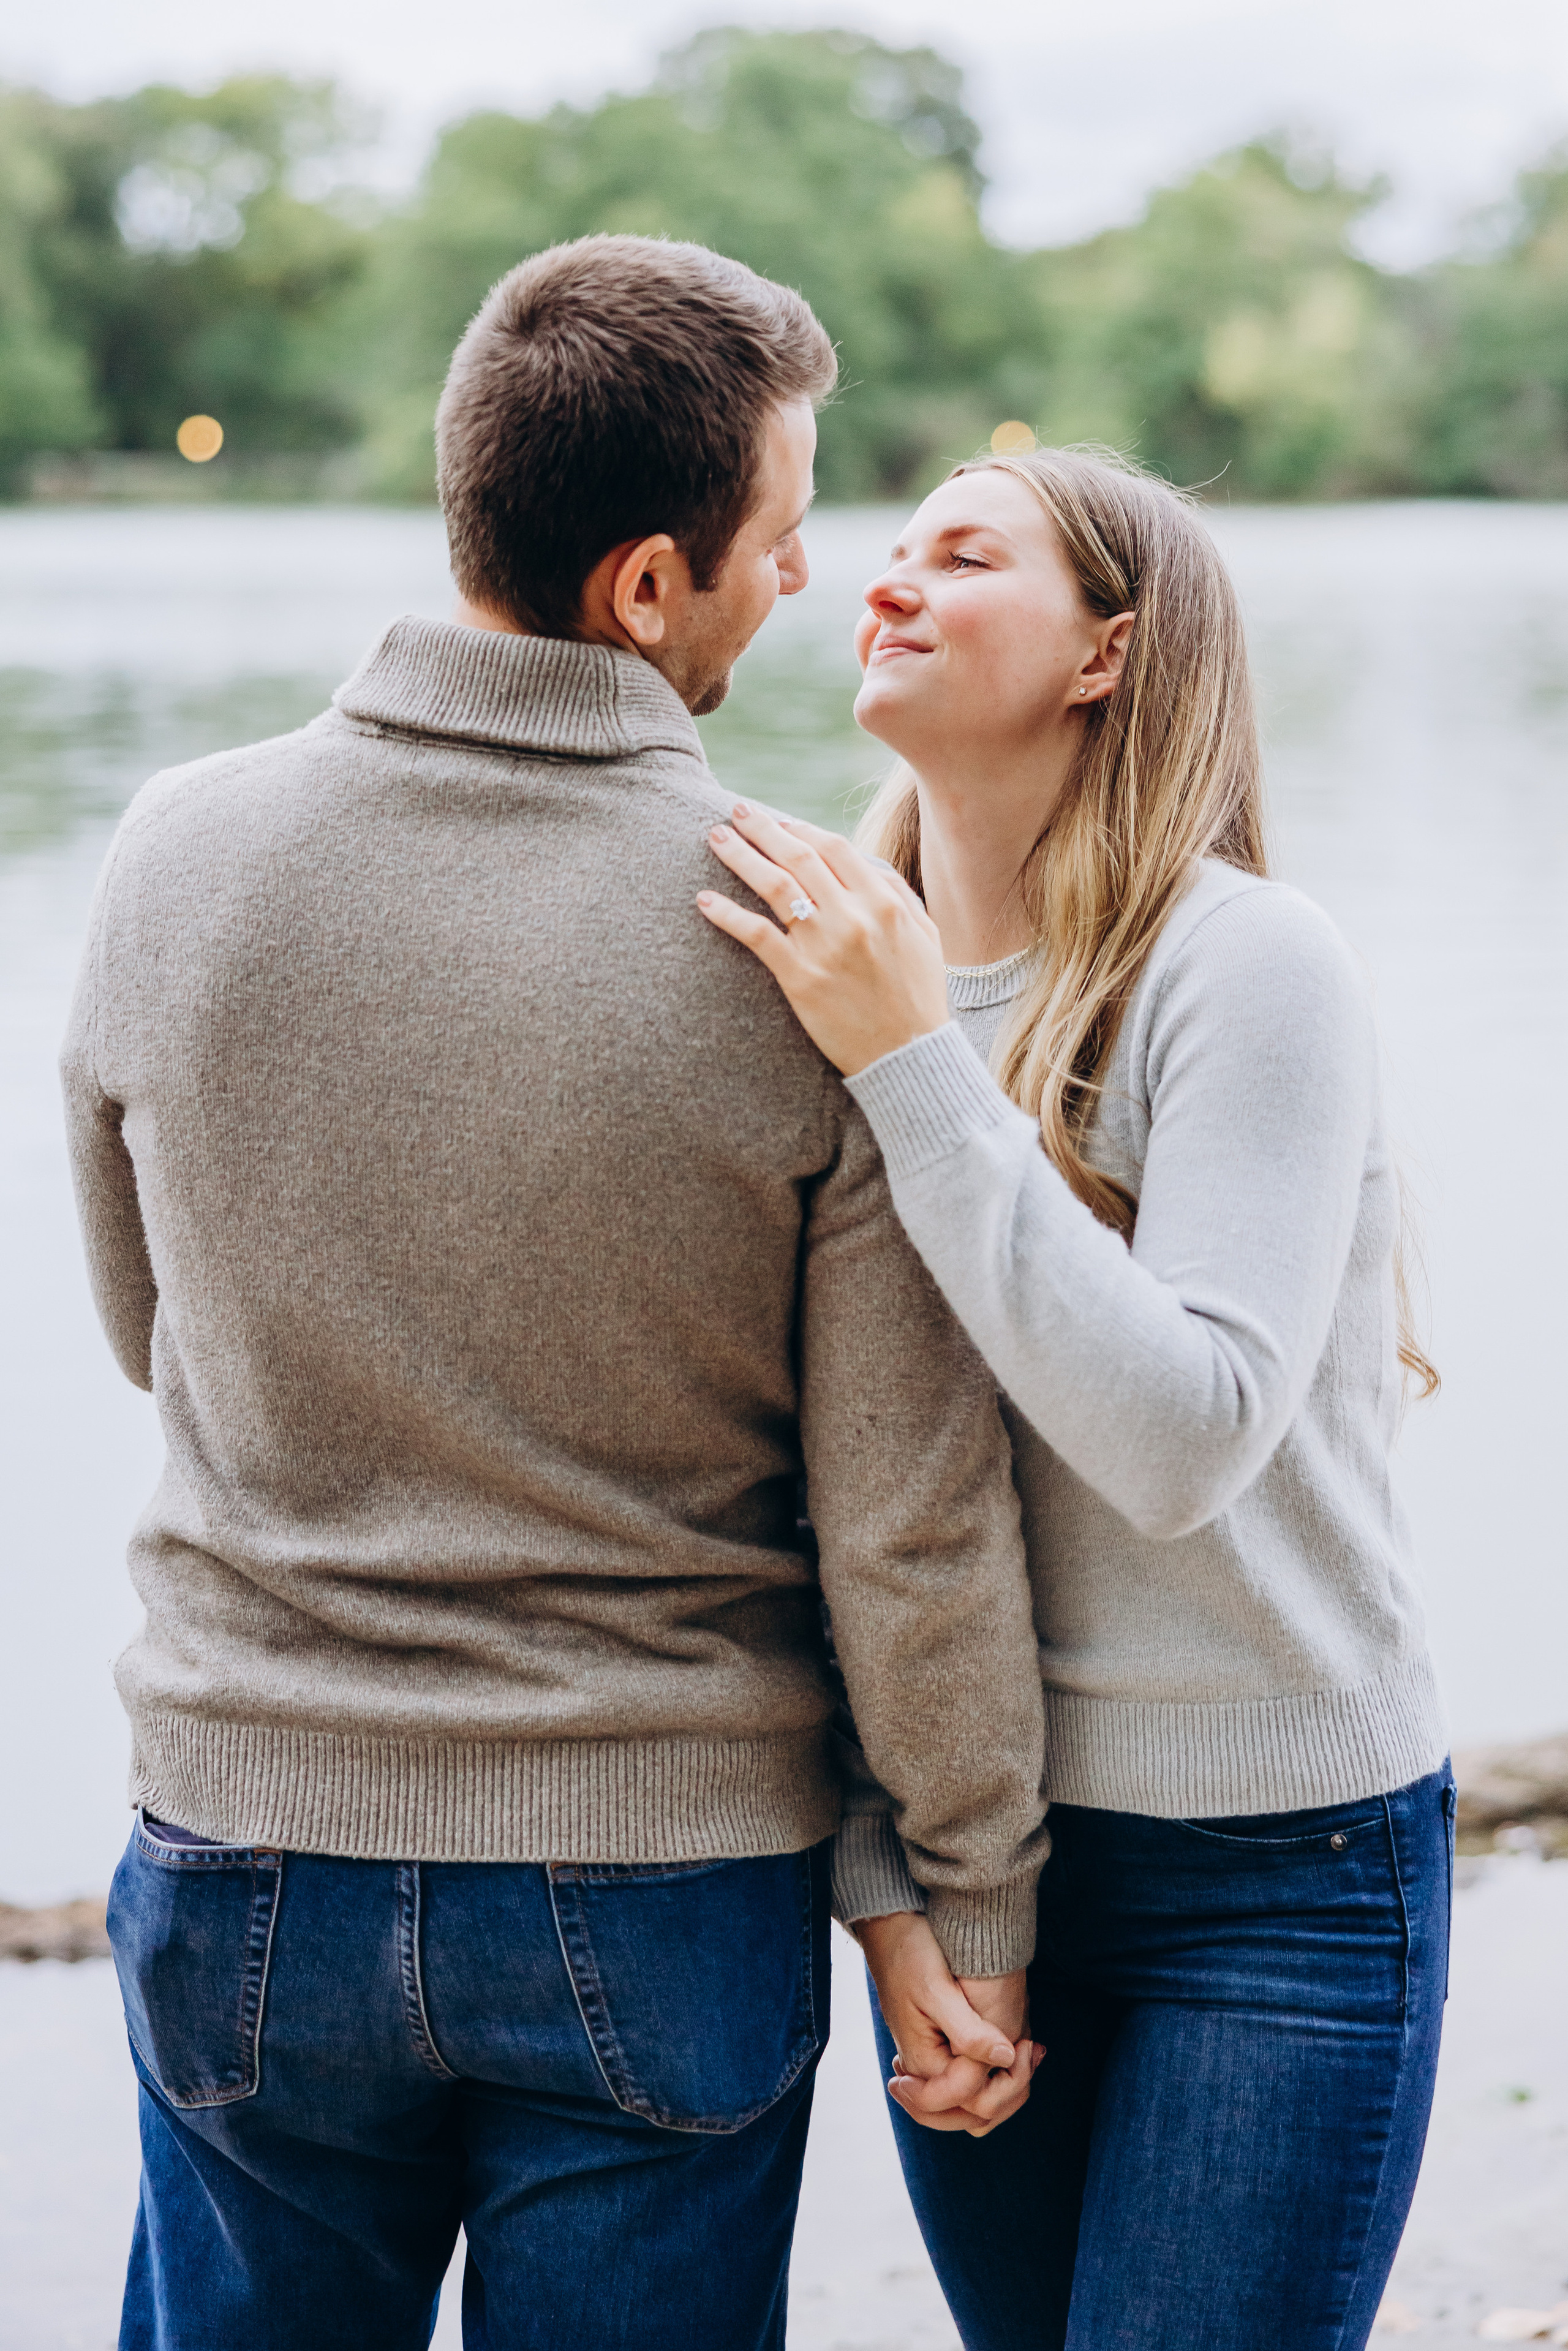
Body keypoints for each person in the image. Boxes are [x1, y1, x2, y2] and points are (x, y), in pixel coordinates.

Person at [59, 236, 1049, 2351]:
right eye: (774, 545)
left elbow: (148, 1326)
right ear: (643, 589)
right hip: (659, 1882)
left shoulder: (172, 847)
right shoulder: (811, 937)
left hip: (250, 1847)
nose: (801, 585)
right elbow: (907, 1517)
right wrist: (965, 1891)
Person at [699, 443, 1453, 2351]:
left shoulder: (1244, 965)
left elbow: (1183, 1438)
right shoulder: (821, 971)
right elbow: (830, 1500)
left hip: (1282, 1873)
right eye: (889, 549)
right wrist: (907, 1884)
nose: (887, 582)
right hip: (983, 1859)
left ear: (1107, 652)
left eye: (963, 554)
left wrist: (912, 1062)